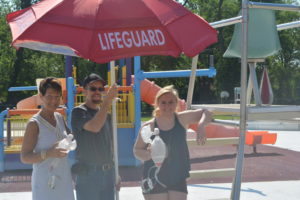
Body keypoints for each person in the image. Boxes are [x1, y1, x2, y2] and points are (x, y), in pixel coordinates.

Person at [133, 85, 212, 200]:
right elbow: (136, 150)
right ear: (157, 104)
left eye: (171, 102)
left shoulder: (181, 119)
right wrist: (149, 155)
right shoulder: (149, 126)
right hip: (155, 175)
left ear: (176, 103)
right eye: (163, 102)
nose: (167, 106)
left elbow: (207, 112)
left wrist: (201, 125)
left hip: (177, 174)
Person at [21, 77, 75, 200]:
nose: (54, 101)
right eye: (50, 96)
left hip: (63, 178)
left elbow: (71, 138)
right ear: (41, 96)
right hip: (44, 182)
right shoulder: (34, 124)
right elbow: (25, 157)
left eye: (57, 97)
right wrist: (49, 153)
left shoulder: (60, 118)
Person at [71, 73, 120, 200]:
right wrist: (107, 101)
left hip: (108, 173)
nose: (97, 91)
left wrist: (116, 173)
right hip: (88, 174)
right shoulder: (79, 112)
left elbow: (111, 146)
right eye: (93, 88)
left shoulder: (107, 116)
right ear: (84, 91)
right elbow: (94, 127)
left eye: (100, 89)